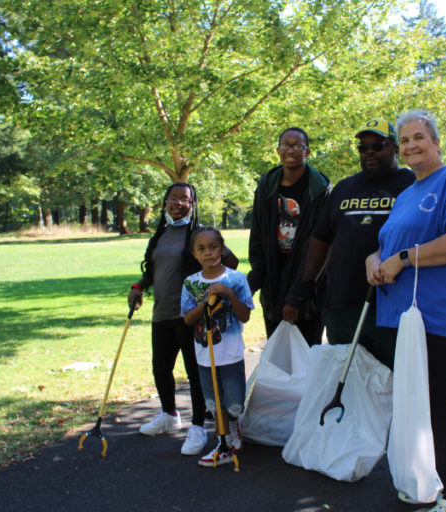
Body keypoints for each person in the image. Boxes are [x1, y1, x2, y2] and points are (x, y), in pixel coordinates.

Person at [366, 110, 446, 512]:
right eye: (404, 140)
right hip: (410, 318)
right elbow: (389, 244)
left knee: (442, 403)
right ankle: (426, 483)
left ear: (436, 143)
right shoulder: (406, 194)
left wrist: (403, 258)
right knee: (419, 405)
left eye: (419, 137)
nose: (410, 146)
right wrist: (373, 261)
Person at [128, 183, 238, 457]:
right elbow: (153, 270)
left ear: (193, 204)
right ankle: (169, 415)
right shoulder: (161, 234)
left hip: (189, 316)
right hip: (161, 313)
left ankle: (198, 426)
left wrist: (211, 283)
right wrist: (139, 286)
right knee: (161, 368)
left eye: (185, 199)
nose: (178, 203)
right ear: (165, 202)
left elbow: (231, 262)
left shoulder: (197, 235)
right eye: (173, 198)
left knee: (194, 373)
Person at [299, 118, 415, 368]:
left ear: (395, 148)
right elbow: (321, 237)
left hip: (392, 305)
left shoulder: (412, 184)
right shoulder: (344, 188)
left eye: (378, 145)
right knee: (346, 381)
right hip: (342, 304)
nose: (369, 152)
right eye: (363, 148)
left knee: (391, 381)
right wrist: (307, 283)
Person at [247, 127, 331, 345]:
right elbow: (257, 236)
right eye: (285, 145)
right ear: (278, 150)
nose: (290, 150)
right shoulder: (267, 186)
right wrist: (254, 279)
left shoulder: (319, 189)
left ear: (307, 151)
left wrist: (297, 296)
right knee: (278, 359)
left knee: (306, 357)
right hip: (273, 283)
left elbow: (321, 246)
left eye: (297, 145)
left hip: (306, 286)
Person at [181, 227, 254, 467]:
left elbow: (244, 316)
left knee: (233, 401)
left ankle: (233, 425)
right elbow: (188, 319)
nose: (208, 253)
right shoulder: (191, 283)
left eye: (213, 247)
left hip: (230, 354)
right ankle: (223, 442)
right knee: (213, 401)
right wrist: (204, 304)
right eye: (201, 249)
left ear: (223, 249)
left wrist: (229, 294)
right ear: (194, 254)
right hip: (205, 355)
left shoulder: (236, 278)